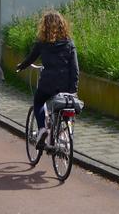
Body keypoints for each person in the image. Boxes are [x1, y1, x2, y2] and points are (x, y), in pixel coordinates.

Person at [15, 10, 79, 148]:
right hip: (65, 85)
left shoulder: (42, 43)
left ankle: (42, 129)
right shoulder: (69, 43)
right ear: (62, 25)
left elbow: (31, 58)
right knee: (64, 106)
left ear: (44, 26)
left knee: (38, 101)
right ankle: (62, 135)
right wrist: (73, 89)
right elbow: (75, 69)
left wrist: (21, 66)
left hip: (47, 84)